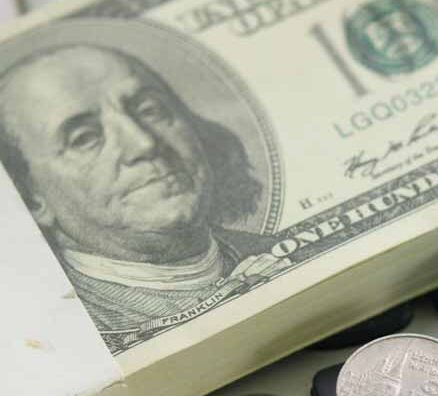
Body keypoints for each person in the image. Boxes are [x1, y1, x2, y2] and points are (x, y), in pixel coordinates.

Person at [0, 44, 285, 347]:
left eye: (150, 110)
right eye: (84, 138)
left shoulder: (278, 250)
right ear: (30, 198)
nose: (143, 143)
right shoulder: (59, 339)